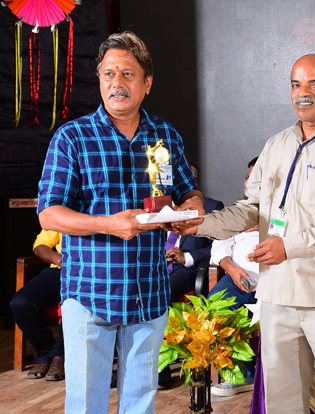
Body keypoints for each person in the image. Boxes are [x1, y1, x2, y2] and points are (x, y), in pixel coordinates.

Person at [176, 54, 315, 414]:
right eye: (296, 84)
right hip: (275, 294)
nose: (303, 92)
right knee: (282, 404)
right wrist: (199, 224)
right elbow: (251, 208)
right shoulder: (276, 144)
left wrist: (290, 246)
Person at [37, 31, 204, 414]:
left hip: (149, 293)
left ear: (147, 83)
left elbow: (188, 191)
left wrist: (191, 209)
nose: (117, 83)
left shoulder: (164, 135)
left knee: (141, 401)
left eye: (128, 74)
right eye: (108, 74)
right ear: (99, 80)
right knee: (86, 403)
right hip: (90, 292)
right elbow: (49, 213)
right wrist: (110, 224)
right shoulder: (72, 138)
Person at [207, 157, 260, 397]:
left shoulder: (289, 209)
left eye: (255, 178)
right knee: (215, 306)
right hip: (238, 278)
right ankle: (242, 375)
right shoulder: (238, 211)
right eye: (248, 178)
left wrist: (265, 226)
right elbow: (220, 246)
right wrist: (231, 269)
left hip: (277, 280)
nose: (248, 183)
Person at [10, 230, 65, 381]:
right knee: (20, 303)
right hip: (59, 270)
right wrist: (59, 260)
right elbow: (40, 246)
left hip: (90, 273)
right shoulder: (61, 217)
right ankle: (45, 353)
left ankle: (60, 355)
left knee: (73, 304)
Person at [166, 161, 224, 301]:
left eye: (193, 181)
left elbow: (219, 247)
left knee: (165, 288)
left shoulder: (211, 207)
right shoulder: (156, 207)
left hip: (185, 269)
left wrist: (187, 257)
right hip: (154, 266)